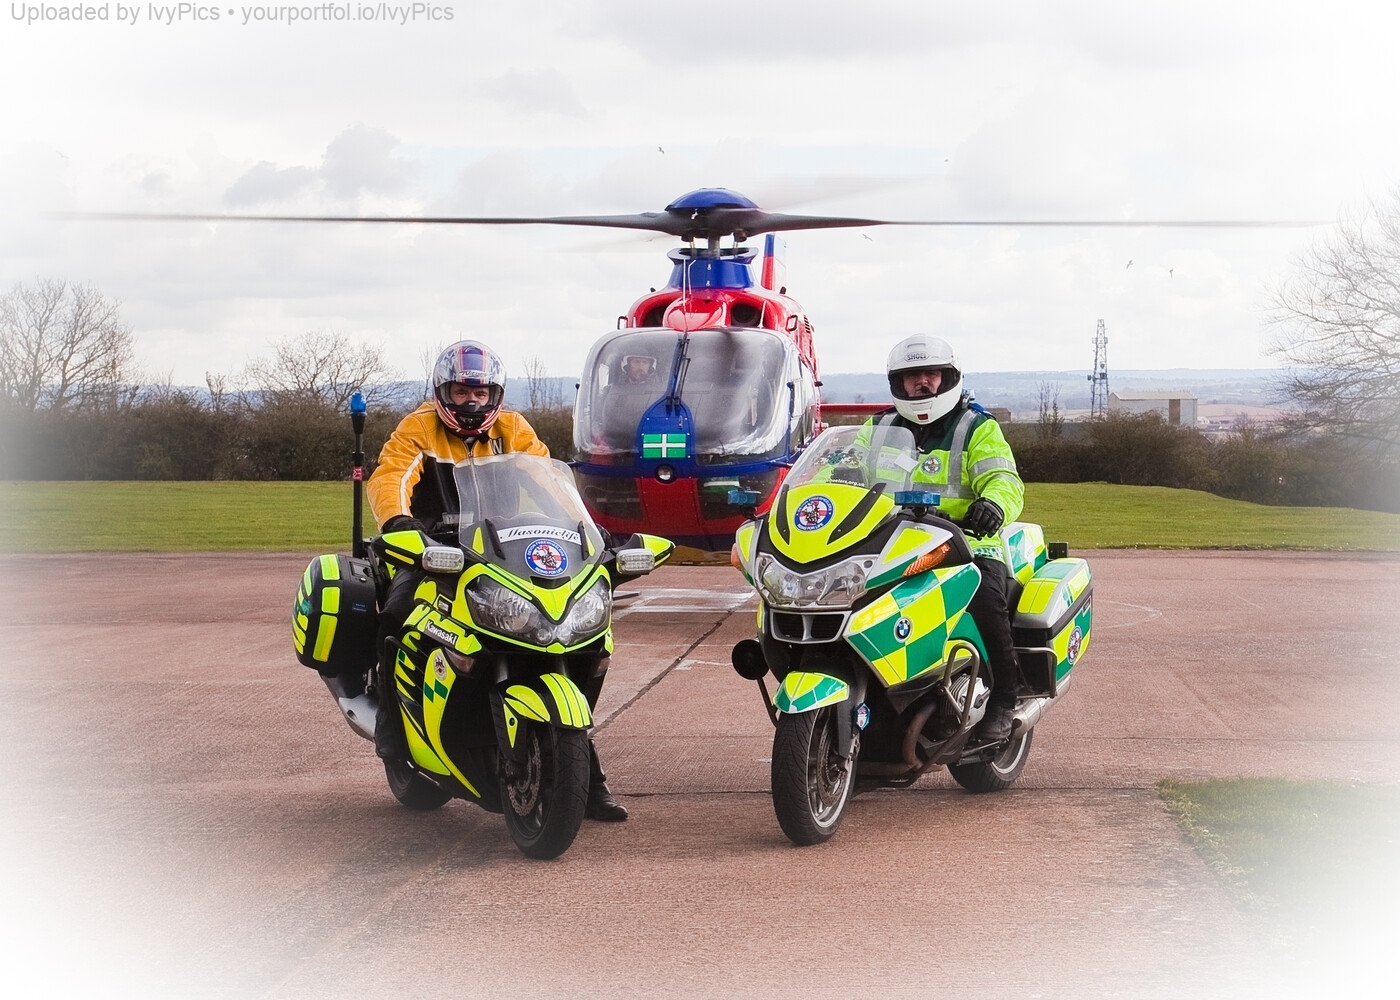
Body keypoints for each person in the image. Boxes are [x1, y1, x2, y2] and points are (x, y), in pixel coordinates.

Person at [365, 339, 629, 821]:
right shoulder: (418, 428)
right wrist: (399, 523)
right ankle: (391, 732)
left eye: (480, 393)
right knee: (396, 617)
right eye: (462, 392)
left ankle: (586, 780)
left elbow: (550, 480)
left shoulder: (512, 428)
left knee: (563, 636)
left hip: (499, 551)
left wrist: (589, 529)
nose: (471, 402)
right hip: (432, 550)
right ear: (442, 392)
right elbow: (391, 476)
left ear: (494, 395)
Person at [879, 334, 1025, 742]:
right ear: (898, 383)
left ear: (948, 378)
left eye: (931, 373)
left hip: (966, 542)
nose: (922, 383)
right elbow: (838, 472)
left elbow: (1004, 478)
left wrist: (993, 505)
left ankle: (1005, 698)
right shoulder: (879, 428)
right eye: (912, 376)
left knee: (984, 596)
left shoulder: (976, 427)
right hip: (890, 544)